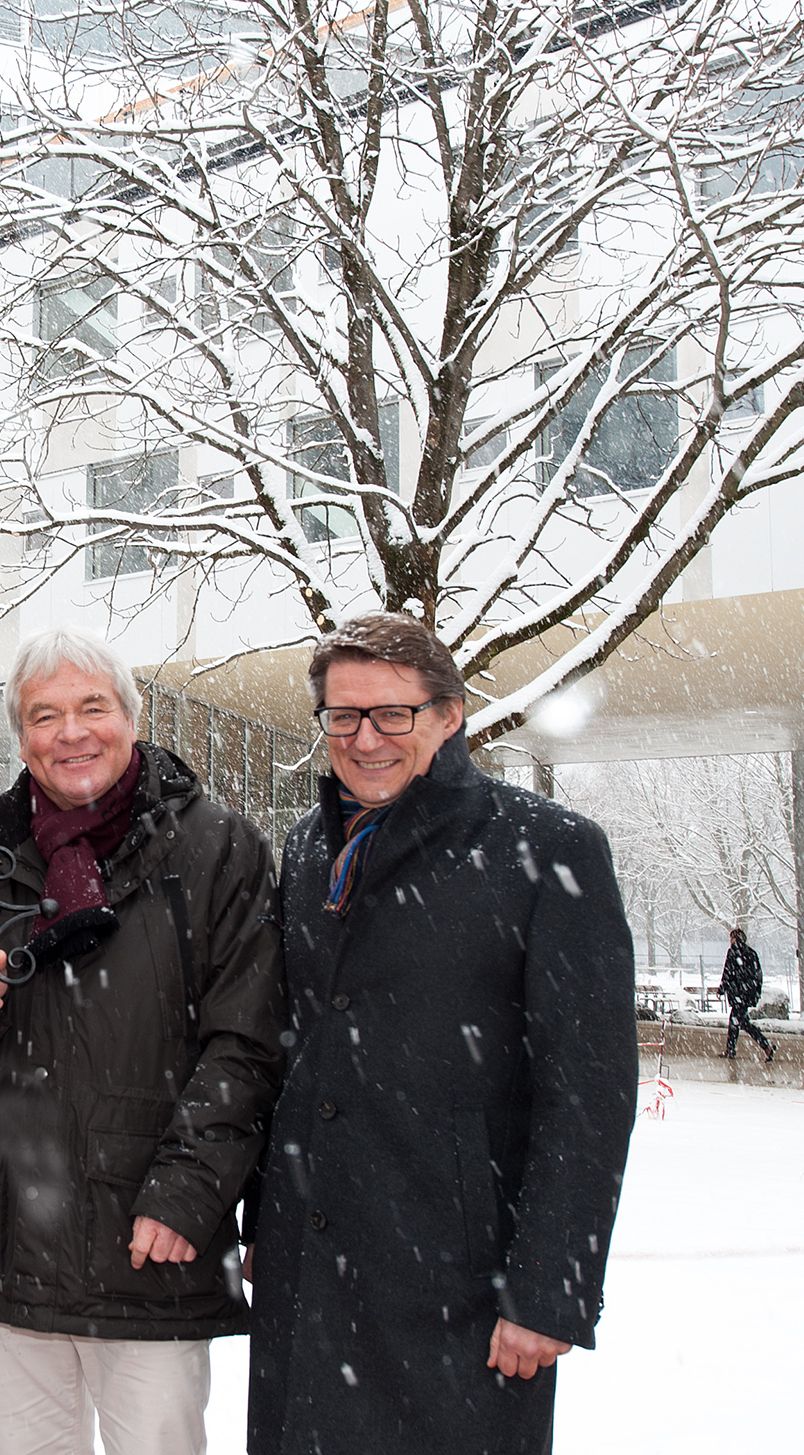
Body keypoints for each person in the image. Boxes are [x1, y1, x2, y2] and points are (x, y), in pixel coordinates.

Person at [247, 611, 638, 1455]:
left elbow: (590, 1093)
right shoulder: (311, 847)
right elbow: (293, 1050)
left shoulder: (549, 849)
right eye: (343, 715)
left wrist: (547, 1291)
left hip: (458, 1289)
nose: (366, 737)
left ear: (451, 713)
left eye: (395, 713)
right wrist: (262, 1224)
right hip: (309, 1265)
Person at [0, 629, 285, 1455]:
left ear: (132, 715)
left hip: (152, 1245)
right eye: (46, 715)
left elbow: (247, 1040)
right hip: (9, 1240)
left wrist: (187, 1192)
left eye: (92, 707)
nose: (71, 732)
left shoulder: (219, 848)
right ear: (22, 736)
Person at [719, 928, 776, 1061]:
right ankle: (765, 1046)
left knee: (736, 1022)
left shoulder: (733, 952)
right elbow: (758, 975)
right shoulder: (751, 953)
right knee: (742, 1022)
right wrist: (755, 993)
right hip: (747, 994)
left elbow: (728, 972)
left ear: (734, 939)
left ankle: (734, 1050)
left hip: (738, 994)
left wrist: (722, 988)